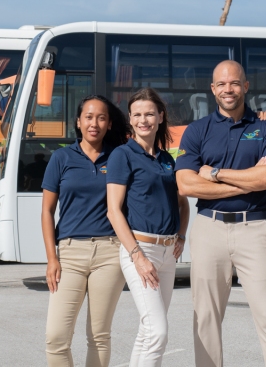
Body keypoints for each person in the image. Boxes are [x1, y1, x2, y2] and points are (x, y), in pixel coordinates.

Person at [175, 60, 266, 367]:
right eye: (222, 84)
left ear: (246, 86)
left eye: (235, 83)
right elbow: (187, 184)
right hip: (208, 229)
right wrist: (247, 180)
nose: (229, 89)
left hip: (253, 229)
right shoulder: (196, 131)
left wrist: (214, 174)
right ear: (213, 90)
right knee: (206, 317)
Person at [41, 95, 129, 367]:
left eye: (101, 117)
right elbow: (47, 211)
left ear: (109, 123)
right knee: (56, 338)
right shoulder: (61, 157)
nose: (94, 123)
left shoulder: (119, 156)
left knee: (99, 336)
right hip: (69, 254)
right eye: (88, 117)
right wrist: (52, 259)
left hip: (110, 253)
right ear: (78, 122)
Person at [106, 88, 190, 366]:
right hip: (141, 250)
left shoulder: (168, 160)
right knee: (158, 332)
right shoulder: (122, 155)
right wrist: (137, 256)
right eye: (138, 114)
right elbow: (114, 210)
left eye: (150, 114)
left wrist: (181, 235)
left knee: (149, 331)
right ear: (130, 119)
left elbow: (183, 204)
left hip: (167, 254)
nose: (144, 120)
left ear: (161, 117)